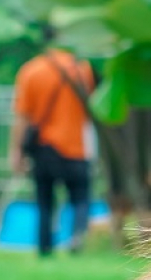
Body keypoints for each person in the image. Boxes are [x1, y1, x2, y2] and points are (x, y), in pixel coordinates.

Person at [12, 44, 97, 257]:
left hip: (45, 146)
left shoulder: (32, 71)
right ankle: (77, 236)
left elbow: (23, 117)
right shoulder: (82, 69)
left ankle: (44, 247)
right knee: (80, 198)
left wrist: (16, 151)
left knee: (44, 200)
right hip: (76, 146)